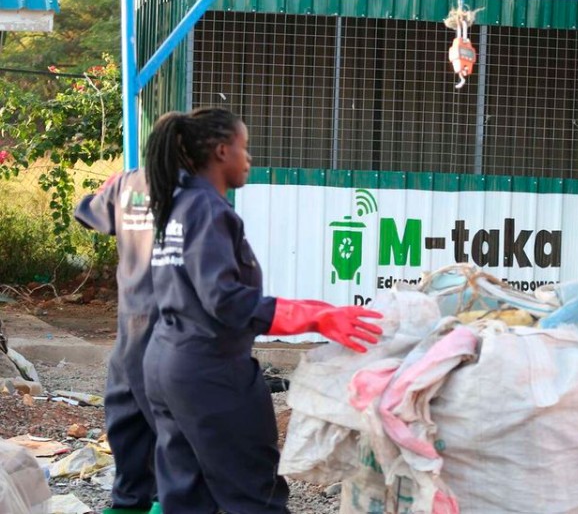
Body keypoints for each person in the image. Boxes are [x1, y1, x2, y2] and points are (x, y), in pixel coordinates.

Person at [142, 107, 383, 513]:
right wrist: (316, 318)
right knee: (256, 497)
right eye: (244, 147)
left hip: (168, 366)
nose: (248, 158)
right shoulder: (208, 209)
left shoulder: (178, 205)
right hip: (211, 373)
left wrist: (319, 309)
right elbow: (225, 300)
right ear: (222, 151)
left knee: (187, 498)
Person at [75, 170, 161, 514]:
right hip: (162, 323)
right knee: (143, 414)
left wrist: (109, 190)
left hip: (139, 321)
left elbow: (88, 212)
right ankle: (142, 500)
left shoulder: (129, 184)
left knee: (129, 413)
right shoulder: (196, 189)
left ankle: (144, 499)